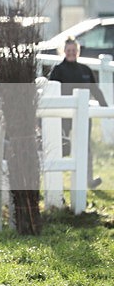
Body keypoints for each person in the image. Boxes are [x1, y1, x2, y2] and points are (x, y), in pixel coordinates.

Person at [48, 36, 107, 189]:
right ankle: (56, 180)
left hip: (83, 114)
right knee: (62, 145)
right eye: (68, 50)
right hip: (64, 115)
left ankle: (89, 179)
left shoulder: (85, 70)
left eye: (74, 50)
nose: (71, 53)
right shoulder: (58, 70)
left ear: (78, 51)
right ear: (63, 51)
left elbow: (95, 90)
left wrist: (105, 108)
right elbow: (51, 91)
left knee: (85, 146)